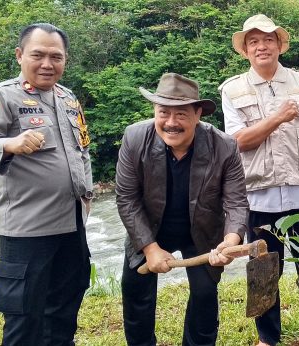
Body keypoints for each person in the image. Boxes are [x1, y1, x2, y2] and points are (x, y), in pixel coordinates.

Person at [0, 23, 93, 345]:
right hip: (27, 229)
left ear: (65, 60)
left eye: (56, 57)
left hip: (71, 222)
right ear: (20, 55)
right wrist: (9, 144)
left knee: (65, 306)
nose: (47, 64)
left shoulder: (67, 97)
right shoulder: (1, 96)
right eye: (38, 55)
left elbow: (81, 151)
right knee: (24, 316)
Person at [218, 14, 299, 346]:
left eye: (267, 39)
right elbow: (238, 141)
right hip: (259, 196)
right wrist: (279, 118)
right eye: (253, 41)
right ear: (245, 50)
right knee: (262, 271)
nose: (261, 46)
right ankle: (267, 338)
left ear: (279, 44)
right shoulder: (232, 89)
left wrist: (295, 165)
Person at [116, 73, 249, 345]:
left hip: (201, 231)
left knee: (204, 294)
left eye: (181, 114)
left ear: (198, 113)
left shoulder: (224, 146)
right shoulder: (134, 137)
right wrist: (150, 249)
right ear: (155, 111)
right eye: (163, 113)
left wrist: (230, 241)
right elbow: (127, 199)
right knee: (135, 291)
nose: (171, 123)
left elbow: (236, 201)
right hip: (148, 229)